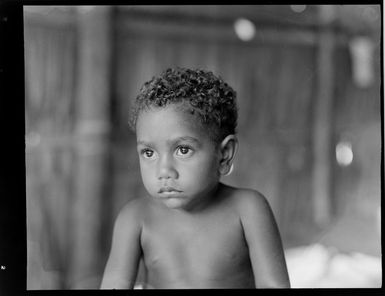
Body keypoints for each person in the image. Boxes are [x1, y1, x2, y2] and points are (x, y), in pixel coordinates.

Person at [100, 68, 290, 289]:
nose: (164, 170)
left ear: (224, 154)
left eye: (182, 150)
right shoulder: (134, 219)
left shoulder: (248, 210)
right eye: (149, 153)